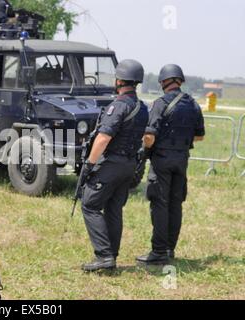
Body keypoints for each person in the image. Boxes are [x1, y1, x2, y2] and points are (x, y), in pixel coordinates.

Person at [80, 59, 149, 272]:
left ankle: (103, 256)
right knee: (113, 209)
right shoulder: (142, 107)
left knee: (90, 204)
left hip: (112, 163)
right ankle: (112, 256)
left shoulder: (118, 106)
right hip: (129, 165)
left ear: (119, 80)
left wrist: (89, 165)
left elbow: (103, 138)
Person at [136, 64, 205, 265]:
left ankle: (158, 252)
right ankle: (169, 249)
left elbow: (149, 136)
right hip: (182, 161)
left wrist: (145, 151)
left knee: (159, 204)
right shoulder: (193, 104)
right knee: (176, 205)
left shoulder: (160, 103)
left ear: (163, 82)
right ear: (180, 81)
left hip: (162, 161)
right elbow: (200, 136)